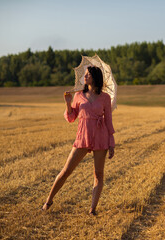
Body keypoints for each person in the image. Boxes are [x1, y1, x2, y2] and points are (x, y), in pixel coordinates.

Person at [42, 66, 115, 216]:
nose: (85, 76)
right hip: (83, 136)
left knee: (98, 174)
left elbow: (108, 121)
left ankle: (92, 209)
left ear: (95, 77)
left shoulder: (105, 98)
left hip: (101, 138)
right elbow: (71, 118)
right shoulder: (79, 95)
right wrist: (68, 103)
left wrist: (111, 143)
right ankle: (48, 201)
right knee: (66, 171)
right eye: (85, 74)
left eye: (88, 74)